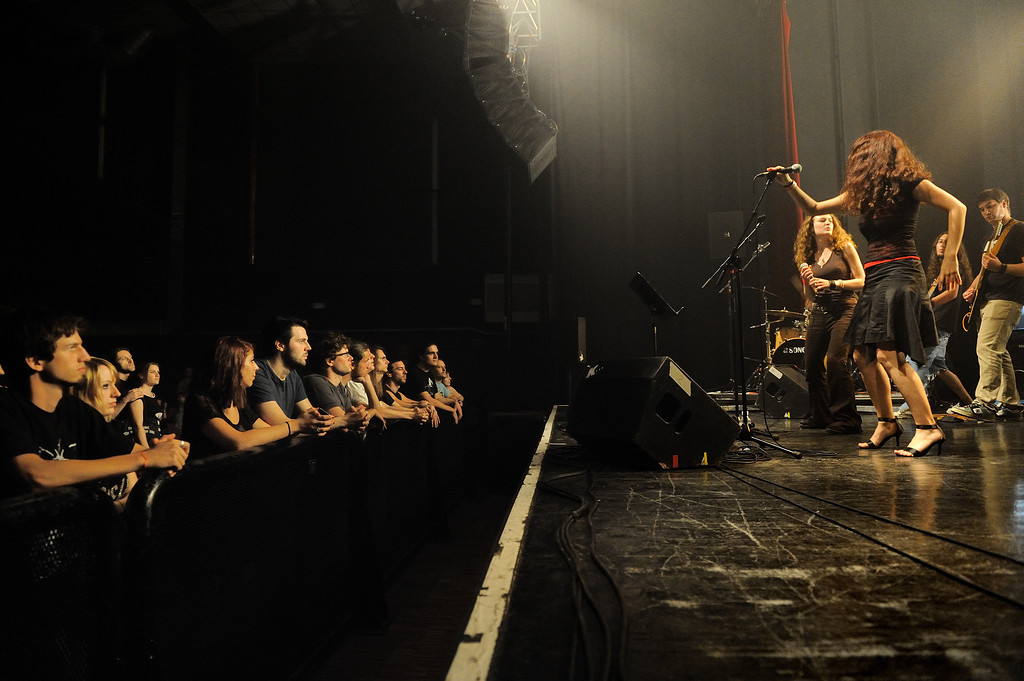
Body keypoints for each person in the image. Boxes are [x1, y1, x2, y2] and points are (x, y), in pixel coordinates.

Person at [772, 130, 966, 457]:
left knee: (890, 356)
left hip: (901, 270)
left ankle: (927, 428)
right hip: (876, 275)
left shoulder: (909, 183)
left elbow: (956, 208)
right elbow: (816, 206)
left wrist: (950, 259)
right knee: (862, 355)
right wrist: (790, 185)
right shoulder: (863, 194)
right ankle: (887, 422)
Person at [0, 308, 188, 499]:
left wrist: (166, 451)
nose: (85, 356)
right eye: (72, 347)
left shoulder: (74, 409)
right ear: (35, 360)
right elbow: (36, 475)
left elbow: (134, 451)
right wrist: (146, 459)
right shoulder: (6, 408)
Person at [182, 336, 331, 459]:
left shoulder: (238, 403)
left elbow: (271, 432)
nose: (256, 367)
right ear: (232, 365)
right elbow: (239, 442)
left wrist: (311, 426)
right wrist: (298, 425)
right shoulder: (200, 400)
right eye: (252, 361)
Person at [949, 189, 1024, 420]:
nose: (986, 212)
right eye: (982, 209)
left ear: (1004, 203)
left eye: (990, 206)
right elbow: (985, 268)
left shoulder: (1019, 229)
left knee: (987, 348)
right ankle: (1010, 403)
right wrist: (973, 287)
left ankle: (984, 402)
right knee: (998, 353)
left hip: (1006, 297)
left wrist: (1001, 268)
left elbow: (999, 266)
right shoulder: (992, 236)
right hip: (990, 298)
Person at [793, 214, 865, 434]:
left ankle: (847, 419)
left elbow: (862, 280)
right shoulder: (808, 255)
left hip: (844, 308)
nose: (827, 222)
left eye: (830, 220)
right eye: (821, 220)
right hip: (820, 311)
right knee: (812, 362)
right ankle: (821, 415)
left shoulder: (845, 247)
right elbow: (811, 296)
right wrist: (807, 281)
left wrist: (833, 283)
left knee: (835, 361)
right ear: (811, 228)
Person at [894, 233, 974, 417]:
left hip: (939, 323)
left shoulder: (954, 267)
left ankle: (912, 406)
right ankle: (969, 402)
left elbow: (952, 293)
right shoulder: (938, 272)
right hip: (934, 322)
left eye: (947, 242)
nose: (942, 245)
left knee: (919, 362)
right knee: (939, 367)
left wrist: (928, 303)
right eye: (939, 241)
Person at [70, 357, 139, 505]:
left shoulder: (111, 432)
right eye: (106, 386)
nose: (117, 393)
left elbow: (133, 488)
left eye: (115, 384)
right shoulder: (71, 441)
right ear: (82, 391)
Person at [247, 316, 332, 433]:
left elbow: (313, 415)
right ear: (280, 345)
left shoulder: (293, 375)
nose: (309, 347)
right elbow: (280, 424)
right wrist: (344, 421)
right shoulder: (258, 372)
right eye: (302, 341)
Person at [302, 332, 370, 432]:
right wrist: (370, 412)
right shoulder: (315, 381)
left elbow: (352, 419)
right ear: (330, 361)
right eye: (345, 354)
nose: (351, 358)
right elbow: (346, 424)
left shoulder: (339, 386)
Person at [127, 361, 164, 447]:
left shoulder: (154, 396)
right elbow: (138, 426)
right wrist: (146, 449)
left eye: (158, 372)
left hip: (155, 441)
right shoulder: (137, 394)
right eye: (152, 372)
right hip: (144, 444)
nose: (157, 375)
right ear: (141, 375)